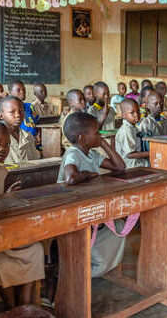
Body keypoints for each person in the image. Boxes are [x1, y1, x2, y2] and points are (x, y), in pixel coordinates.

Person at [0, 123, 45, 308]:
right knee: (4, 263)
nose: (2, 149)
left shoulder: (1, 171)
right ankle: (14, 306)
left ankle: (26, 304)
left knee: (36, 250)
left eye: (6, 145)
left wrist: (7, 196)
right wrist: (2, 200)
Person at [57, 112, 126, 278]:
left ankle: (96, 267)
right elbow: (70, 177)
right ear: (82, 138)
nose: (99, 135)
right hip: (71, 209)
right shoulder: (73, 153)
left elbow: (120, 167)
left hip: (89, 207)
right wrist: (88, 174)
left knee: (119, 227)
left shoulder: (91, 154)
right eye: (96, 133)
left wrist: (104, 144)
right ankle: (88, 269)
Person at [0, 96, 39, 164]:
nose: (18, 115)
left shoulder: (28, 135)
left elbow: (35, 160)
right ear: (1, 116)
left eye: (21, 111)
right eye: (12, 112)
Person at [115, 99, 149, 168]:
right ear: (123, 115)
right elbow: (130, 155)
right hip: (131, 166)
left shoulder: (133, 126)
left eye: (138, 111)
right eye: (132, 113)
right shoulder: (126, 130)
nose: (136, 115)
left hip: (138, 163)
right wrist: (152, 153)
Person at [8, 80, 40, 149]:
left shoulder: (30, 106)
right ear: (10, 93)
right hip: (21, 143)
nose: (22, 92)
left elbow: (37, 123)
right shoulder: (8, 110)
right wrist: (29, 139)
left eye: (23, 89)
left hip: (35, 140)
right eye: (18, 90)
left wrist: (38, 135)